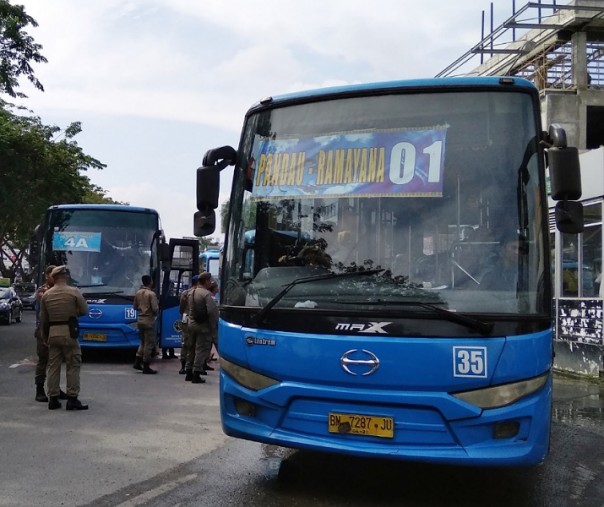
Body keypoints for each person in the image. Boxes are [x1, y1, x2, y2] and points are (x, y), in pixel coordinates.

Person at [39, 265, 89, 410]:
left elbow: (43, 319)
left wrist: (45, 336)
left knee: (53, 367)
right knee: (73, 364)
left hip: (53, 334)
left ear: (53, 278)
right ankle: (72, 399)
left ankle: (53, 399)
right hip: (69, 333)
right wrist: (73, 314)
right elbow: (85, 310)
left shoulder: (47, 295)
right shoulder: (74, 292)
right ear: (65, 276)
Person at [33, 264, 68, 403]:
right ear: (47, 276)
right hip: (43, 331)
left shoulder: (61, 291)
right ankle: (39, 389)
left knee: (56, 362)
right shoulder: (43, 291)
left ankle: (55, 389)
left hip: (56, 330)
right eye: (52, 275)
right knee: (43, 361)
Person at [185, 272, 218, 384]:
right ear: (206, 281)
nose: (211, 283)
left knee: (191, 348)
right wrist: (214, 328)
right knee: (201, 349)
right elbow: (212, 312)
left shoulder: (190, 292)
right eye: (210, 281)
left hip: (191, 324)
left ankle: (188, 371)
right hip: (203, 326)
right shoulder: (206, 294)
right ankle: (196, 373)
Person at [133, 275, 159, 374]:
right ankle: (146, 366)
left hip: (140, 319)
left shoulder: (138, 292)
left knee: (143, 342)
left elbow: (135, 306)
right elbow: (155, 309)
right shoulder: (151, 294)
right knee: (149, 344)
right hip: (149, 320)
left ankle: (137, 361)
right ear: (150, 282)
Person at [177, 274, 199, 374]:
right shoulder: (199, 293)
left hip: (186, 319)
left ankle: (183, 367)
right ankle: (192, 366)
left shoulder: (185, 293)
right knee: (195, 344)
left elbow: (181, 308)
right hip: (195, 320)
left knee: (185, 343)